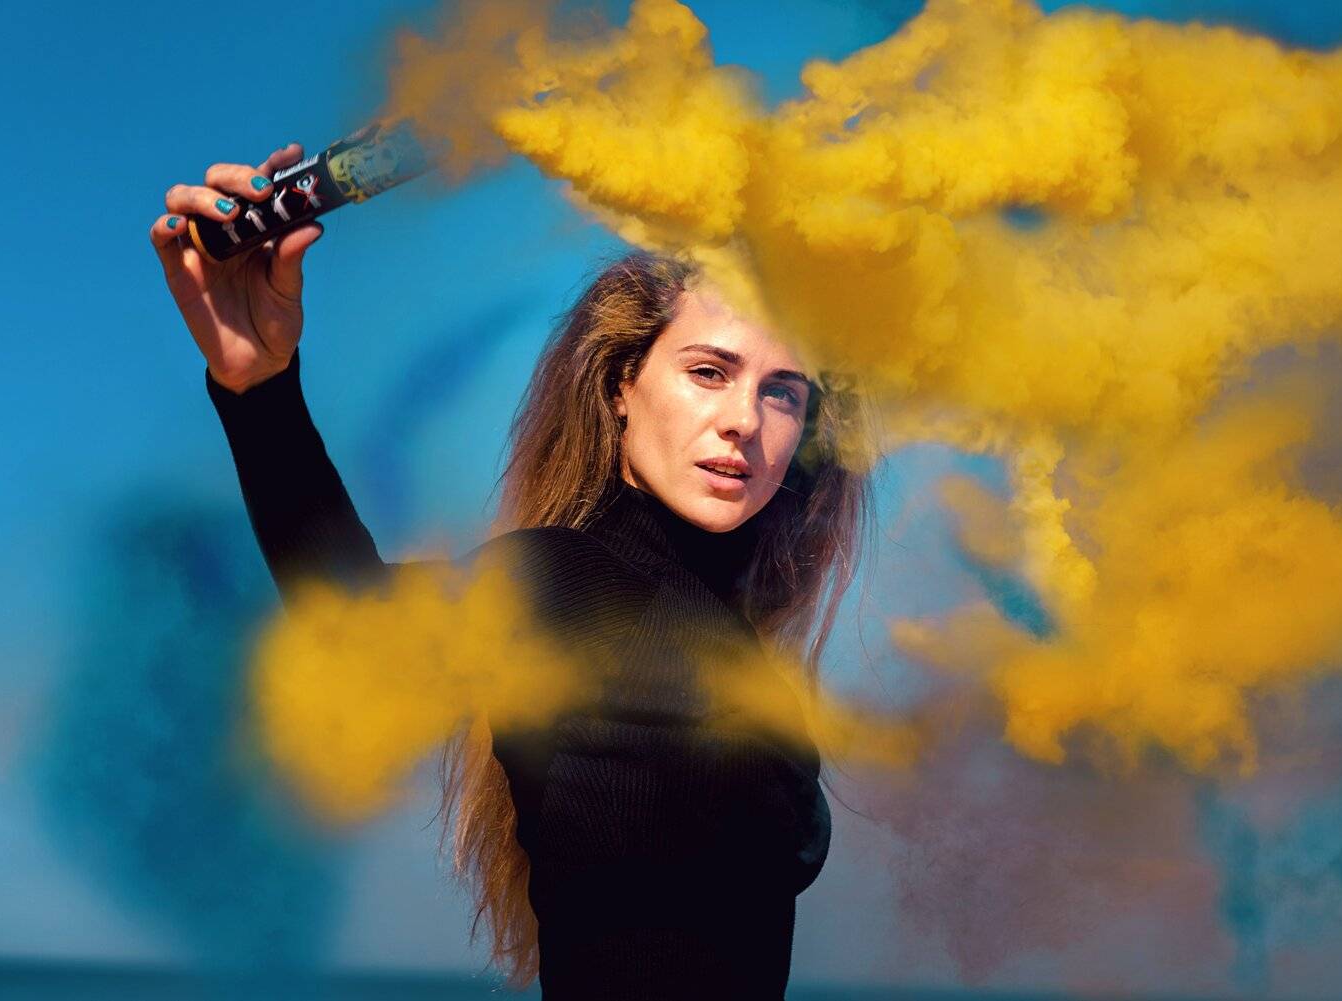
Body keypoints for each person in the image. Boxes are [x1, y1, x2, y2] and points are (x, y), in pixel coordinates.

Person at [151, 142, 876, 998]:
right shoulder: (564, 580)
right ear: (622, 386)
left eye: (782, 391)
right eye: (708, 372)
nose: (743, 420)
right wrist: (260, 389)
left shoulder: (741, 635)